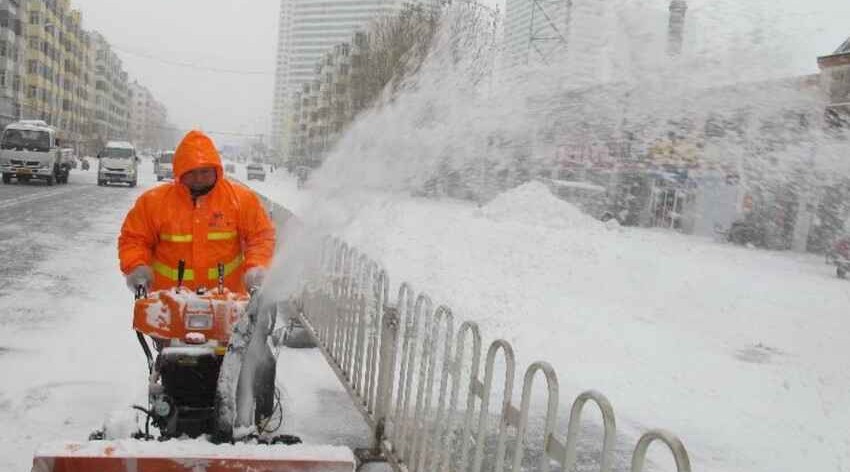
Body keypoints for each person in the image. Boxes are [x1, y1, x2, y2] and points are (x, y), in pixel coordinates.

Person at [119, 130, 275, 294]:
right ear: (179, 172)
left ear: (216, 170)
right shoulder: (153, 202)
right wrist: (137, 267)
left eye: (205, 172)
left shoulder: (241, 200)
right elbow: (134, 239)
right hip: (168, 306)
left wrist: (257, 268)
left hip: (227, 304)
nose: (199, 178)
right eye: (191, 172)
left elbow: (261, 237)